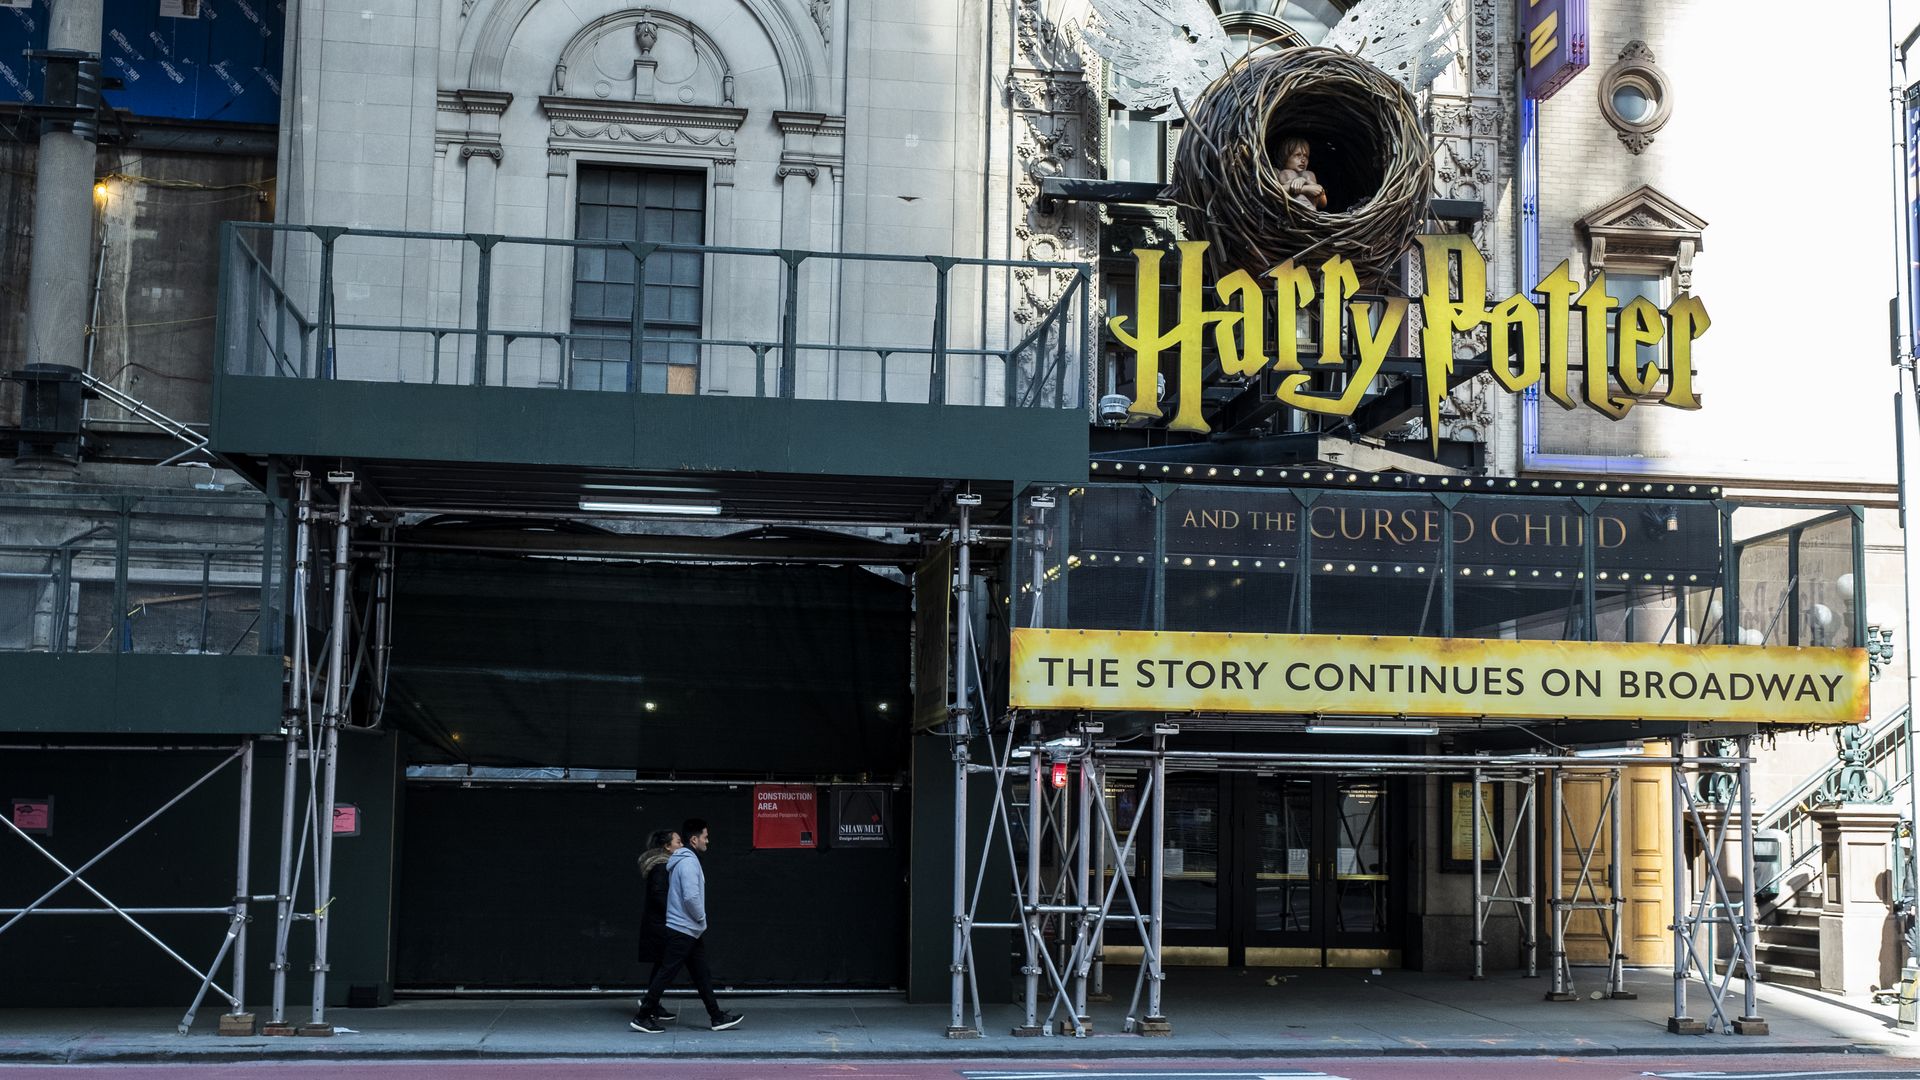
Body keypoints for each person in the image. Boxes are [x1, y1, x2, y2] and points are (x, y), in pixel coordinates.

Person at [631, 818, 743, 1033]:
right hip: (684, 929)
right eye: (705, 837)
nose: (707, 841)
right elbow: (691, 897)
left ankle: (716, 1017)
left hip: (687, 929)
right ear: (694, 839)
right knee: (666, 973)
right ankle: (642, 1016)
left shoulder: (679, 862)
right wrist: (701, 918)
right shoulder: (689, 863)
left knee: (701, 975)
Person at [635, 828, 681, 1024]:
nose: (681, 845)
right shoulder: (662, 867)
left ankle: (651, 1003)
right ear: (667, 846)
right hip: (661, 924)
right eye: (678, 842)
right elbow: (659, 896)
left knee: (661, 964)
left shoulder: (663, 865)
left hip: (659, 923)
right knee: (665, 965)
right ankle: (649, 1003)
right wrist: (676, 914)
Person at [1276, 136, 1327, 211]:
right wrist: (1305, 189)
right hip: (1289, 210)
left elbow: (1323, 203)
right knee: (1287, 173)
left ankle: (1309, 209)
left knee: (1308, 174)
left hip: (1311, 212)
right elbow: (1274, 192)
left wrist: (1305, 181)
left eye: (1306, 156)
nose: (1303, 160)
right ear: (1285, 157)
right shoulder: (1278, 172)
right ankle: (1303, 206)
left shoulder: (1308, 175)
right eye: (1298, 155)